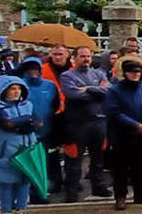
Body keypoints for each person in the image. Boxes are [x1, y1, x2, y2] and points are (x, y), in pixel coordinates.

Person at [105, 57, 142, 210]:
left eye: (138, 72)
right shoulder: (114, 90)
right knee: (120, 167)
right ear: (125, 73)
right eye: (131, 72)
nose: (135, 75)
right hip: (122, 133)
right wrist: (135, 124)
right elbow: (115, 112)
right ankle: (120, 197)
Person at [59, 46, 111, 202]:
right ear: (74, 58)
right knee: (74, 159)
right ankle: (72, 190)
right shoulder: (67, 76)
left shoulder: (99, 73)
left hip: (99, 122)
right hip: (78, 124)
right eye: (82, 56)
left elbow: (108, 92)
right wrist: (96, 92)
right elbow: (73, 95)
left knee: (98, 158)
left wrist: (87, 88)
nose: (86, 59)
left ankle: (98, 186)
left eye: (88, 56)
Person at [0, 76, 39, 214]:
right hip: (5, 151)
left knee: (24, 181)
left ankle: (21, 208)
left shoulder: (28, 105)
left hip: (26, 149)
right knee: (7, 183)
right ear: (3, 91)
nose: (17, 92)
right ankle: (6, 210)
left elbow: (39, 122)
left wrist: (20, 123)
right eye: (12, 89)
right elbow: (6, 124)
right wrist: (27, 121)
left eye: (19, 88)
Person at [19, 57, 58, 204]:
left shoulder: (50, 86)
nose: (32, 71)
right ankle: (27, 194)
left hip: (46, 131)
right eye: (29, 69)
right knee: (28, 164)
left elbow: (56, 106)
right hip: (26, 132)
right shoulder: (20, 85)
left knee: (43, 163)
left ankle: (40, 193)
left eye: (35, 68)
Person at [40, 45, 69, 194]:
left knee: (71, 149)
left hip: (70, 115)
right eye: (55, 54)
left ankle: (71, 179)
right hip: (52, 115)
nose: (58, 57)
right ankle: (55, 179)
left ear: (67, 55)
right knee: (52, 150)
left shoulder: (74, 68)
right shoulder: (43, 69)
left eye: (61, 54)